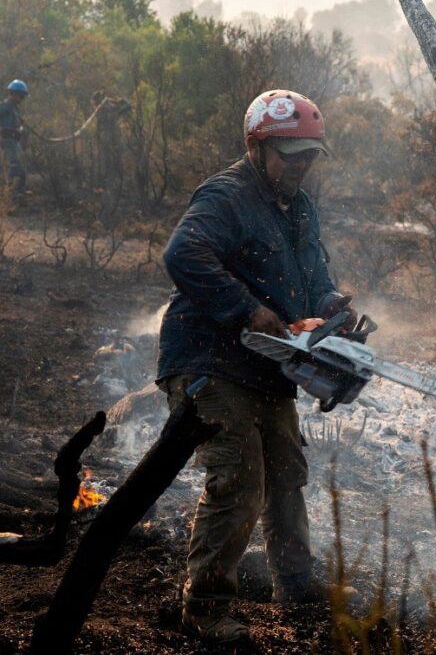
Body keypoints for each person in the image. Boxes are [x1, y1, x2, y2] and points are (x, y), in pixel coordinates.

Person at [157, 89, 357, 644]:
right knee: (239, 478)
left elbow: (315, 275)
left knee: (287, 473)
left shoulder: (301, 208)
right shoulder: (226, 196)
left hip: (270, 365)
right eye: (290, 155)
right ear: (256, 146)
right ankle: (205, 607)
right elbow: (183, 254)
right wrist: (247, 309)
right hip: (209, 361)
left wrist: (330, 307)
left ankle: (295, 585)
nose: (300, 166)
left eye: (309, 156)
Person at [0, 79, 29, 195]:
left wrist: (21, 123)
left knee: (21, 166)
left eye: (23, 97)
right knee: (15, 166)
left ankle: (19, 191)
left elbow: (15, 122)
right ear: (13, 93)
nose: (22, 99)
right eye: (21, 96)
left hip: (14, 141)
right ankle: (10, 193)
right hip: (7, 140)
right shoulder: (6, 106)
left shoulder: (14, 108)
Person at [90, 90, 131, 188]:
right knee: (108, 161)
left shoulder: (105, 108)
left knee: (110, 160)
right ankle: (108, 184)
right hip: (109, 138)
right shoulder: (103, 109)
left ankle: (113, 183)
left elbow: (126, 106)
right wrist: (117, 101)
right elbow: (126, 105)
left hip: (109, 138)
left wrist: (115, 101)